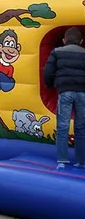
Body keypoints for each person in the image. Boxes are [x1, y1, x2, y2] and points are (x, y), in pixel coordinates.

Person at [43, 27, 85, 169]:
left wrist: (50, 85)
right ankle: (81, 161)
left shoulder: (56, 52)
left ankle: (62, 160)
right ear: (81, 41)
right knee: (81, 127)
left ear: (64, 40)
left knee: (62, 127)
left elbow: (48, 72)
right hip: (82, 93)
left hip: (65, 92)